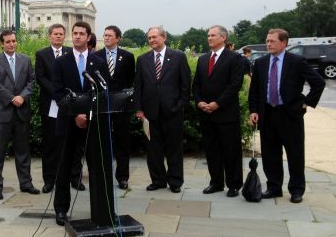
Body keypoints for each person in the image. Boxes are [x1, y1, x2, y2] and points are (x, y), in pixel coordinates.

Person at [249, 28, 325, 203]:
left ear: (284, 43)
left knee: (295, 154)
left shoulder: (296, 61)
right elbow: (255, 91)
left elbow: (318, 82)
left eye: (272, 41)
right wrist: (254, 110)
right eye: (267, 41)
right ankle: (274, 187)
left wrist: (305, 103)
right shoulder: (260, 63)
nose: (269, 44)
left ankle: (296, 190)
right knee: (270, 154)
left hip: (290, 115)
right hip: (267, 114)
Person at [51, 21, 111, 226]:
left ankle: (101, 209)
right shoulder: (61, 62)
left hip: (92, 123)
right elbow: (57, 93)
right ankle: (61, 209)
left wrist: (87, 114)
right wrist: (76, 114)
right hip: (67, 123)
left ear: (88, 37)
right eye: (74, 33)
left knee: (96, 166)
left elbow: (103, 92)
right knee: (64, 166)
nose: (77, 36)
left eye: (81, 34)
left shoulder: (98, 61)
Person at [133, 26, 191, 193]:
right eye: (149, 38)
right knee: (153, 149)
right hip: (150, 113)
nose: (151, 40)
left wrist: (180, 104)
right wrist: (139, 109)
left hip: (173, 111)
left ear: (164, 37)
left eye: (154, 37)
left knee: (174, 149)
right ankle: (158, 180)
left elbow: (185, 84)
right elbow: (138, 86)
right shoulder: (143, 60)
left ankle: (175, 182)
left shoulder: (178, 57)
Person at [193, 25, 244, 198]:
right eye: (208, 35)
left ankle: (234, 184)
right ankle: (216, 182)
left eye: (213, 35)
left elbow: (235, 85)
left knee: (231, 150)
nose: (209, 38)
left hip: (226, 113)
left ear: (223, 38)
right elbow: (197, 85)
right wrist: (199, 101)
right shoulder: (203, 59)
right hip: (206, 114)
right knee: (211, 150)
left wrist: (217, 103)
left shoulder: (234, 58)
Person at [0, 29, 39, 200]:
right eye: (8, 41)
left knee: (23, 151)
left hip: (21, 113)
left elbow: (32, 81)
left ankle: (26, 183)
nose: (11, 44)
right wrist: (11, 98)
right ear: (1, 44)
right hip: (0, 114)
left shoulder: (25, 60)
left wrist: (22, 97)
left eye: (13, 41)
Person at [35, 23, 81, 194]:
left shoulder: (71, 53)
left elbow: (75, 76)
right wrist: (57, 94)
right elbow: (41, 78)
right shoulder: (42, 54)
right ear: (49, 36)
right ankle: (49, 180)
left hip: (69, 105)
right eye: (55, 34)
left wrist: (65, 96)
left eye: (61, 34)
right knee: (50, 145)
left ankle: (75, 178)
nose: (58, 36)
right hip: (51, 105)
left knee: (74, 144)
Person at [94, 25, 136, 190]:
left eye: (110, 36)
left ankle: (123, 177)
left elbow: (130, 80)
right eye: (104, 35)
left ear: (118, 38)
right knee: (103, 142)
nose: (106, 38)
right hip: (103, 105)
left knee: (122, 142)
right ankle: (103, 176)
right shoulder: (95, 56)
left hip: (121, 106)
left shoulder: (127, 56)